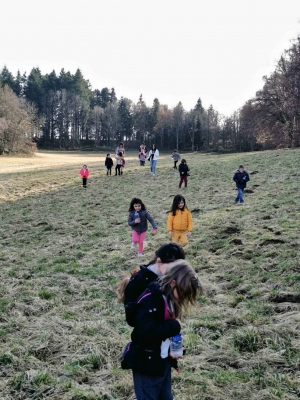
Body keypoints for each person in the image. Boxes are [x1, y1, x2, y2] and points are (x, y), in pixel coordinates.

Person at [121, 260, 202, 400]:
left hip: (162, 362)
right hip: (146, 363)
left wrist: (173, 348)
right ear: (173, 283)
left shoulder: (170, 300)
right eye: (183, 294)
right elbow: (146, 330)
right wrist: (173, 326)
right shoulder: (150, 300)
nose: (183, 298)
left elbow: (163, 332)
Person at [114, 242, 186, 327]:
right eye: (173, 267)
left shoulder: (170, 277)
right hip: (151, 335)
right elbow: (133, 320)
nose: (176, 271)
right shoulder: (137, 283)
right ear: (159, 261)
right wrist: (170, 325)